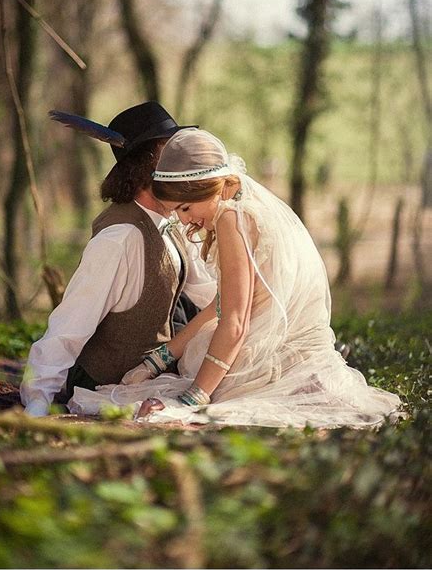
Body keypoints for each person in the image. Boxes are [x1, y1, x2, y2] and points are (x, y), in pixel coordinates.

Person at [67, 129, 402, 429]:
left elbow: (236, 323)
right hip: (280, 343)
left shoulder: (232, 219)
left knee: (198, 358)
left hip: (260, 351)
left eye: (185, 209)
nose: (184, 221)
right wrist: (159, 359)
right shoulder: (244, 209)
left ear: (207, 189)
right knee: (190, 352)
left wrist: (194, 399)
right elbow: (221, 303)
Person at [20, 105, 216, 417]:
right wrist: (37, 402)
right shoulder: (120, 239)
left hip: (157, 371)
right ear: (146, 165)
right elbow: (68, 327)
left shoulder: (173, 223)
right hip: (108, 384)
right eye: (172, 154)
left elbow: (209, 295)